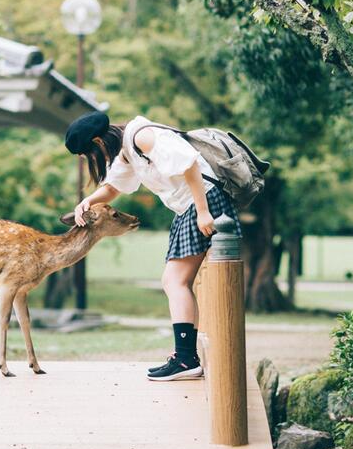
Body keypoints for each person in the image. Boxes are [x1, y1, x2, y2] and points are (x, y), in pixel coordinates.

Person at [65, 111, 242, 381]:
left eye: (90, 155)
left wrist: (203, 211)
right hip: (188, 206)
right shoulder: (128, 151)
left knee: (175, 281)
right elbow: (114, 188)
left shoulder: (143, 137)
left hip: (202, 201)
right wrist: (87, 201)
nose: (93, 161)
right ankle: (185, 357)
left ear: (99, 143)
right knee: (175, 281)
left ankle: (185, 359)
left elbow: (189, 165)